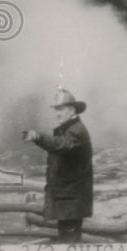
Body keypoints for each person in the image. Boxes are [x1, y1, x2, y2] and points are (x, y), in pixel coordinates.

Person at [23, 88, 93, 243]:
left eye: (60, 109)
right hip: (69, 199)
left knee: (70, 242)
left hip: (72, 201)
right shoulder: (69, 129)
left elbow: (62, 145)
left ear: (72, 110)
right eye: (56, 110)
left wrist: (38, 137)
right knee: (67, 239)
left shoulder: (76, 131)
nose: (57, 113)